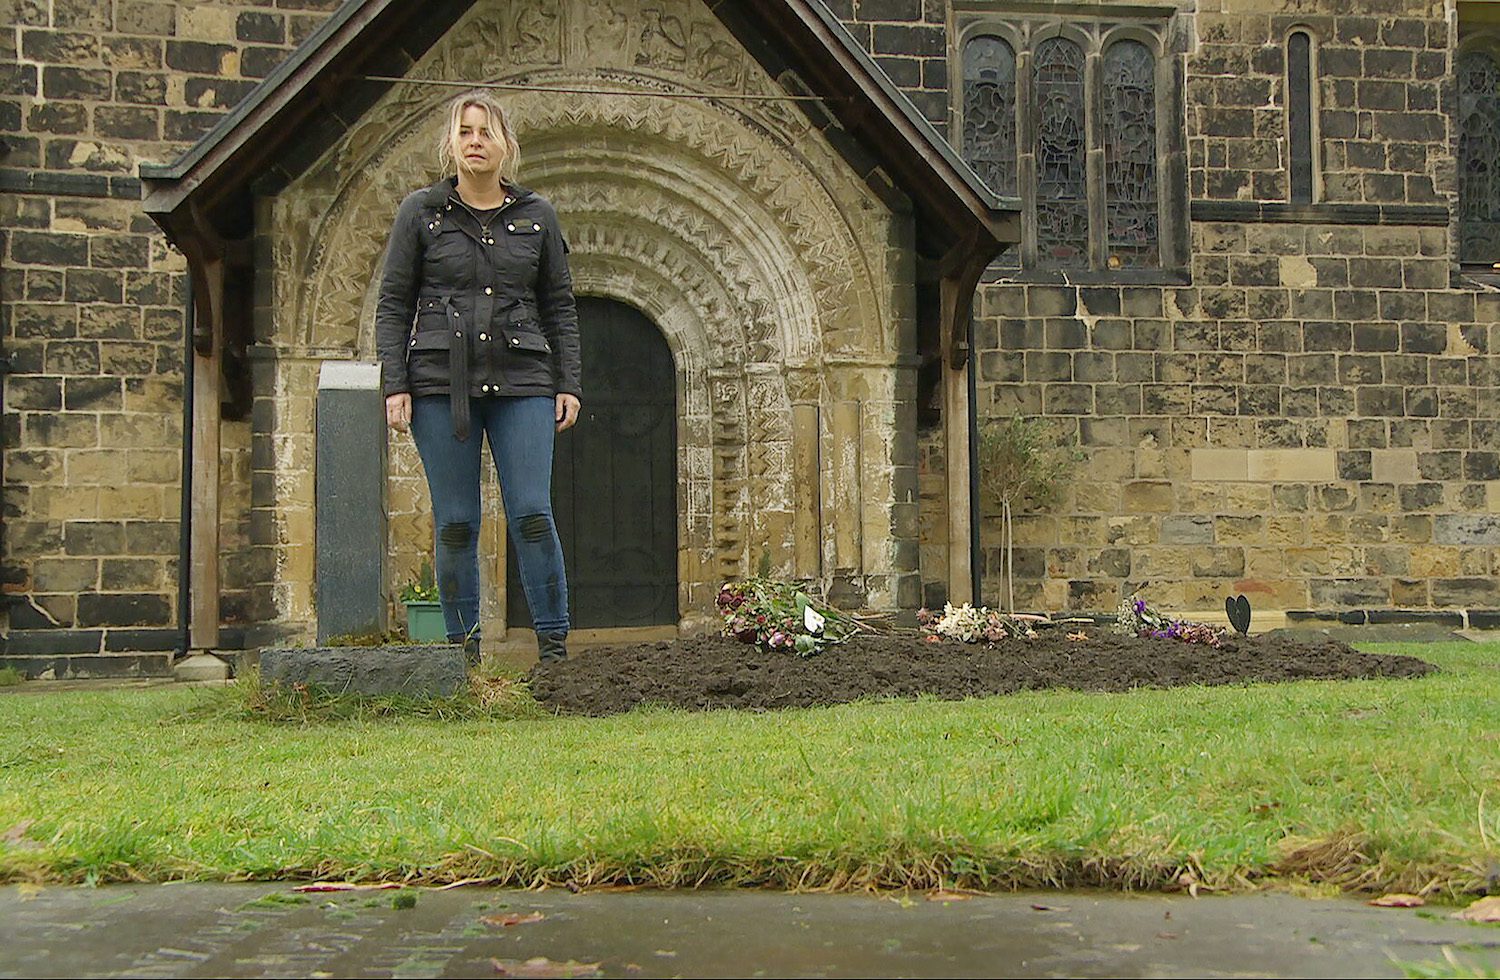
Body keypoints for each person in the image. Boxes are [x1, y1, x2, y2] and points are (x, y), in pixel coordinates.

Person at [375, 90, 581, 667]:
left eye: (485, 132)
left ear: (505, 145)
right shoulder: (421, 213)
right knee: (458, 521)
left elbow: (560, 305)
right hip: (441, 382)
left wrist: (569, 383)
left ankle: (554, 653)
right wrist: (396, 383)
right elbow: (394, 303)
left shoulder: (537, 216)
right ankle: (460, 660)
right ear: (451, 143)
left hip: (525, 382)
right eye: (465, 131)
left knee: (533, 513)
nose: (474, 142)